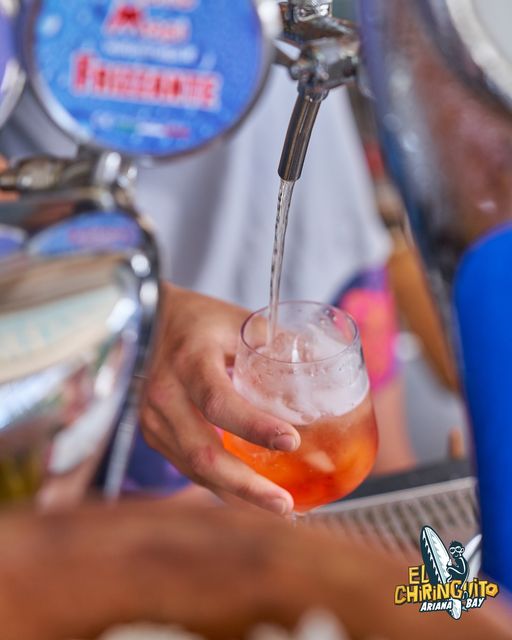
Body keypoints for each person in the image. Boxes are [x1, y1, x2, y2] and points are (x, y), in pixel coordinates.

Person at [0, 64, 415, 516]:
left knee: (387, 488)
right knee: (217, 533)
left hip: (325, 233)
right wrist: (145, 303)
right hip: (119, 296)